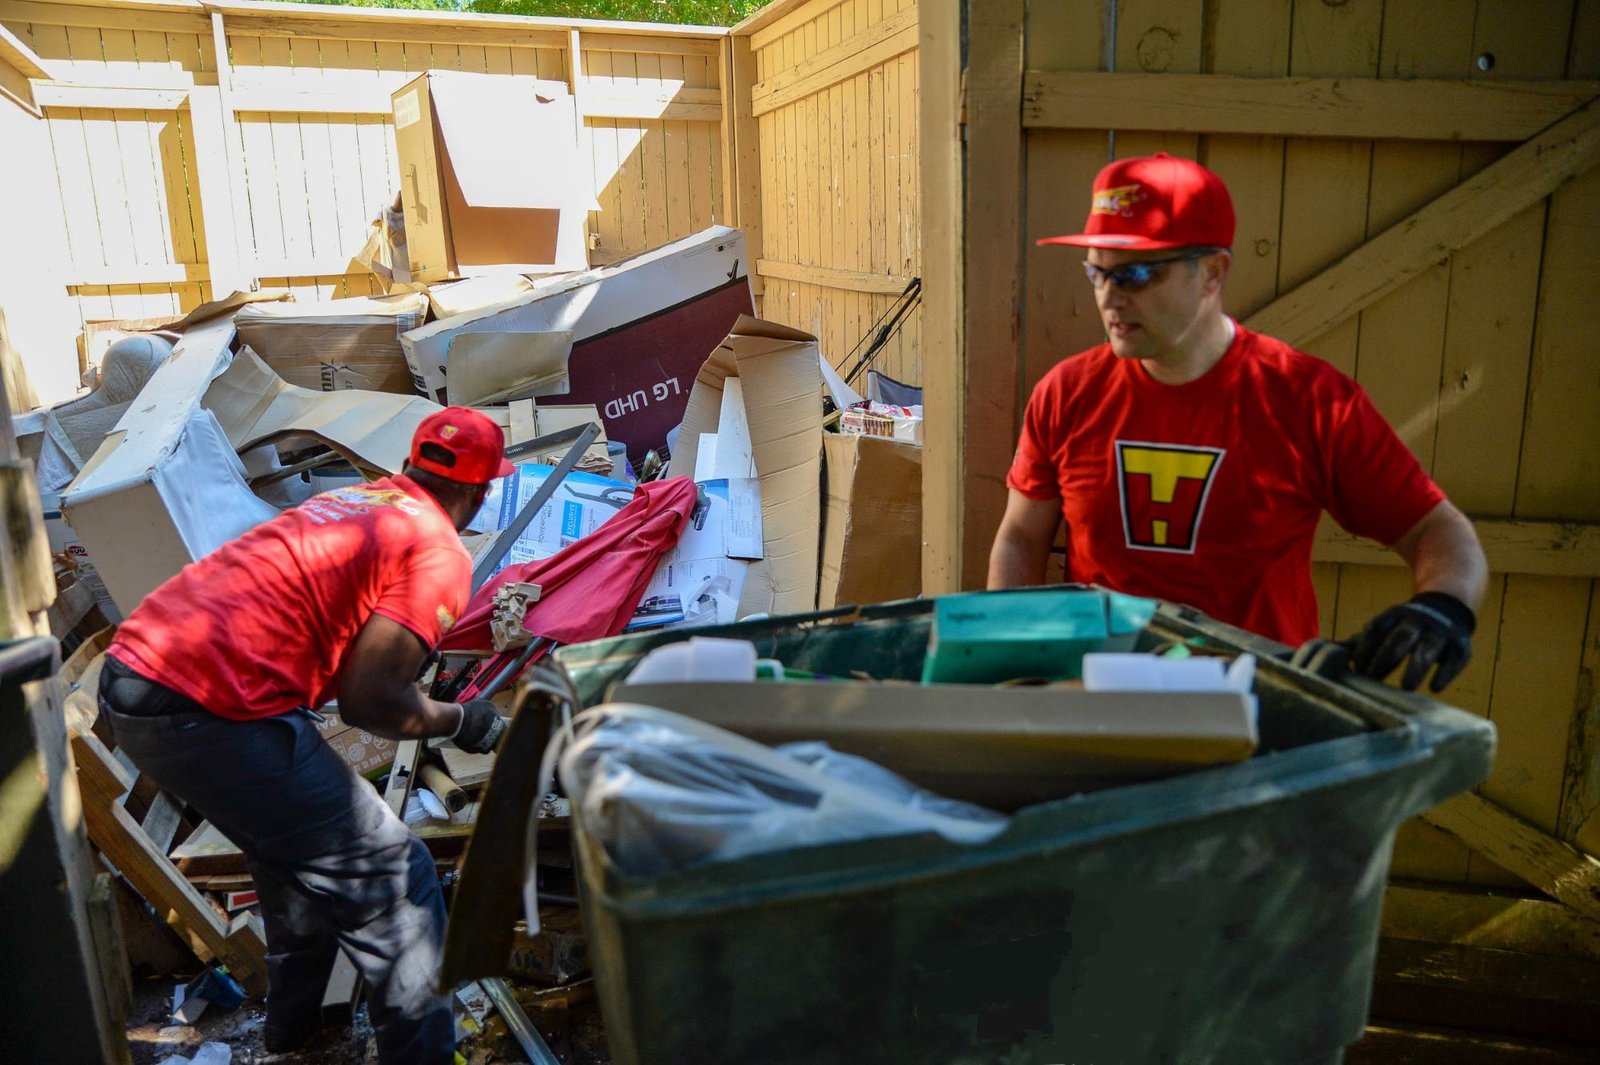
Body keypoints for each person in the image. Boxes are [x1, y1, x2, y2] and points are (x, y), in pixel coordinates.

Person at [98, 407, 515, 1064]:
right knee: (397, 878)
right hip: (205, 702)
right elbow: (372, 699)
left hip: (137, 675)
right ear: (479, 491)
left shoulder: (357, 499)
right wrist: (466, 719)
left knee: (295, 855)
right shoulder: (437, 547)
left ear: (409, 466)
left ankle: (303, 1036)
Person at [989, 152, 1488, 693]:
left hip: (1256, 709)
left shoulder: (1308, 400)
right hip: (1096, 695)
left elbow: (1435, 528)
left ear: (1212, 273)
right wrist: (1006, 658)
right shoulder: (1066, 394)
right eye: (1096, 271)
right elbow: (1021, 535)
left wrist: (1443, 607)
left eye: (1135, 273)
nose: (1110, 295)